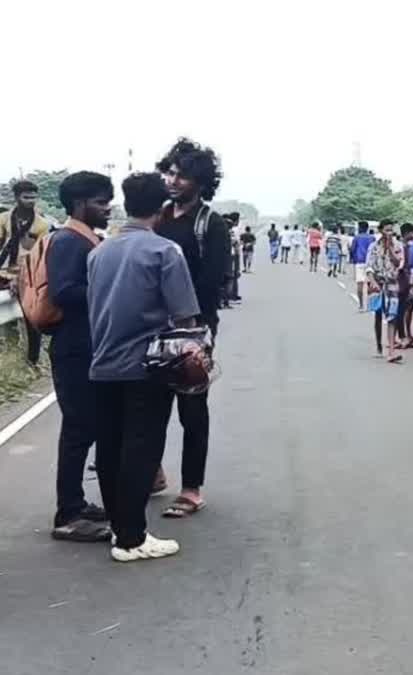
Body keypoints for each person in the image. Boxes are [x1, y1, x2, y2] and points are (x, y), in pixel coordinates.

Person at [88, 172, 200, 562]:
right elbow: (184, 314)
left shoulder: (99, 251)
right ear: (163, 206)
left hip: (102, 363)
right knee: (142, 447)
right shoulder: (165, 252)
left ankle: (121, 530)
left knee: (110, 447)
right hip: (146, 365)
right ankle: (132, 538)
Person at [154, 138, 230, 517]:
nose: (172, 180)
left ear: (200, 182)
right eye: (169, 172)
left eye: (181, 176)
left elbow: (213, 280)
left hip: (191, 330)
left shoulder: (210, 225)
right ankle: (152, 473)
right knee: (148, 405)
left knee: (191, 409)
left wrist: (190, 324)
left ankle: (191, 489)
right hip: (149, 327)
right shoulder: (156, 216)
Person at [46, 171, 113, 542]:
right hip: (75, 348)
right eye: (102, 202)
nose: (108, 208)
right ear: (80, 204)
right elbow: (64, 292)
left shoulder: (85, 239)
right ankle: (68, 514)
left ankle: (76, 502)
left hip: (85, 346)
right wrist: (111, 286)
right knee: (78, 430)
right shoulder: (71, 241)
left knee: (86, 427)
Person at [1, 179, 51, 366]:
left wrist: (20, 278)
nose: (31, 201)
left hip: (27, 274)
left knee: (31, 317)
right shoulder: (4, 219)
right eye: (26, 197)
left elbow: (37, 257)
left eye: (33, 197)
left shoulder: (41, 224)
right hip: (4, 270)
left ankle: (33, 360)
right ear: (16, 198)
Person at [367, 220, 405, 362]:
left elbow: (399, 263)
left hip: (392, 283)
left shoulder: (398, 245)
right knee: (377, 314)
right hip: (377, 282)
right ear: (381, 230)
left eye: (391, 230)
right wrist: (373, 281)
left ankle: (391, 351)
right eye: (387, 230)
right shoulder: (374, 246)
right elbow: (369, 265)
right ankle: (379, 346)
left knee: (392, 316)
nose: (389, 233)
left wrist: (390, 249)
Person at [350, 221, 374, 310]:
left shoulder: (356, 238)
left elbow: (352, 249)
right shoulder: (372, 238)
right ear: (367, 228)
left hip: (359, 262)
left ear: (360, 228)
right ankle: (369, 305)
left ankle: (361, 305)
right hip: (370, 263)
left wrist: (352, 259)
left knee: (360, 284)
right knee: (369, 284)